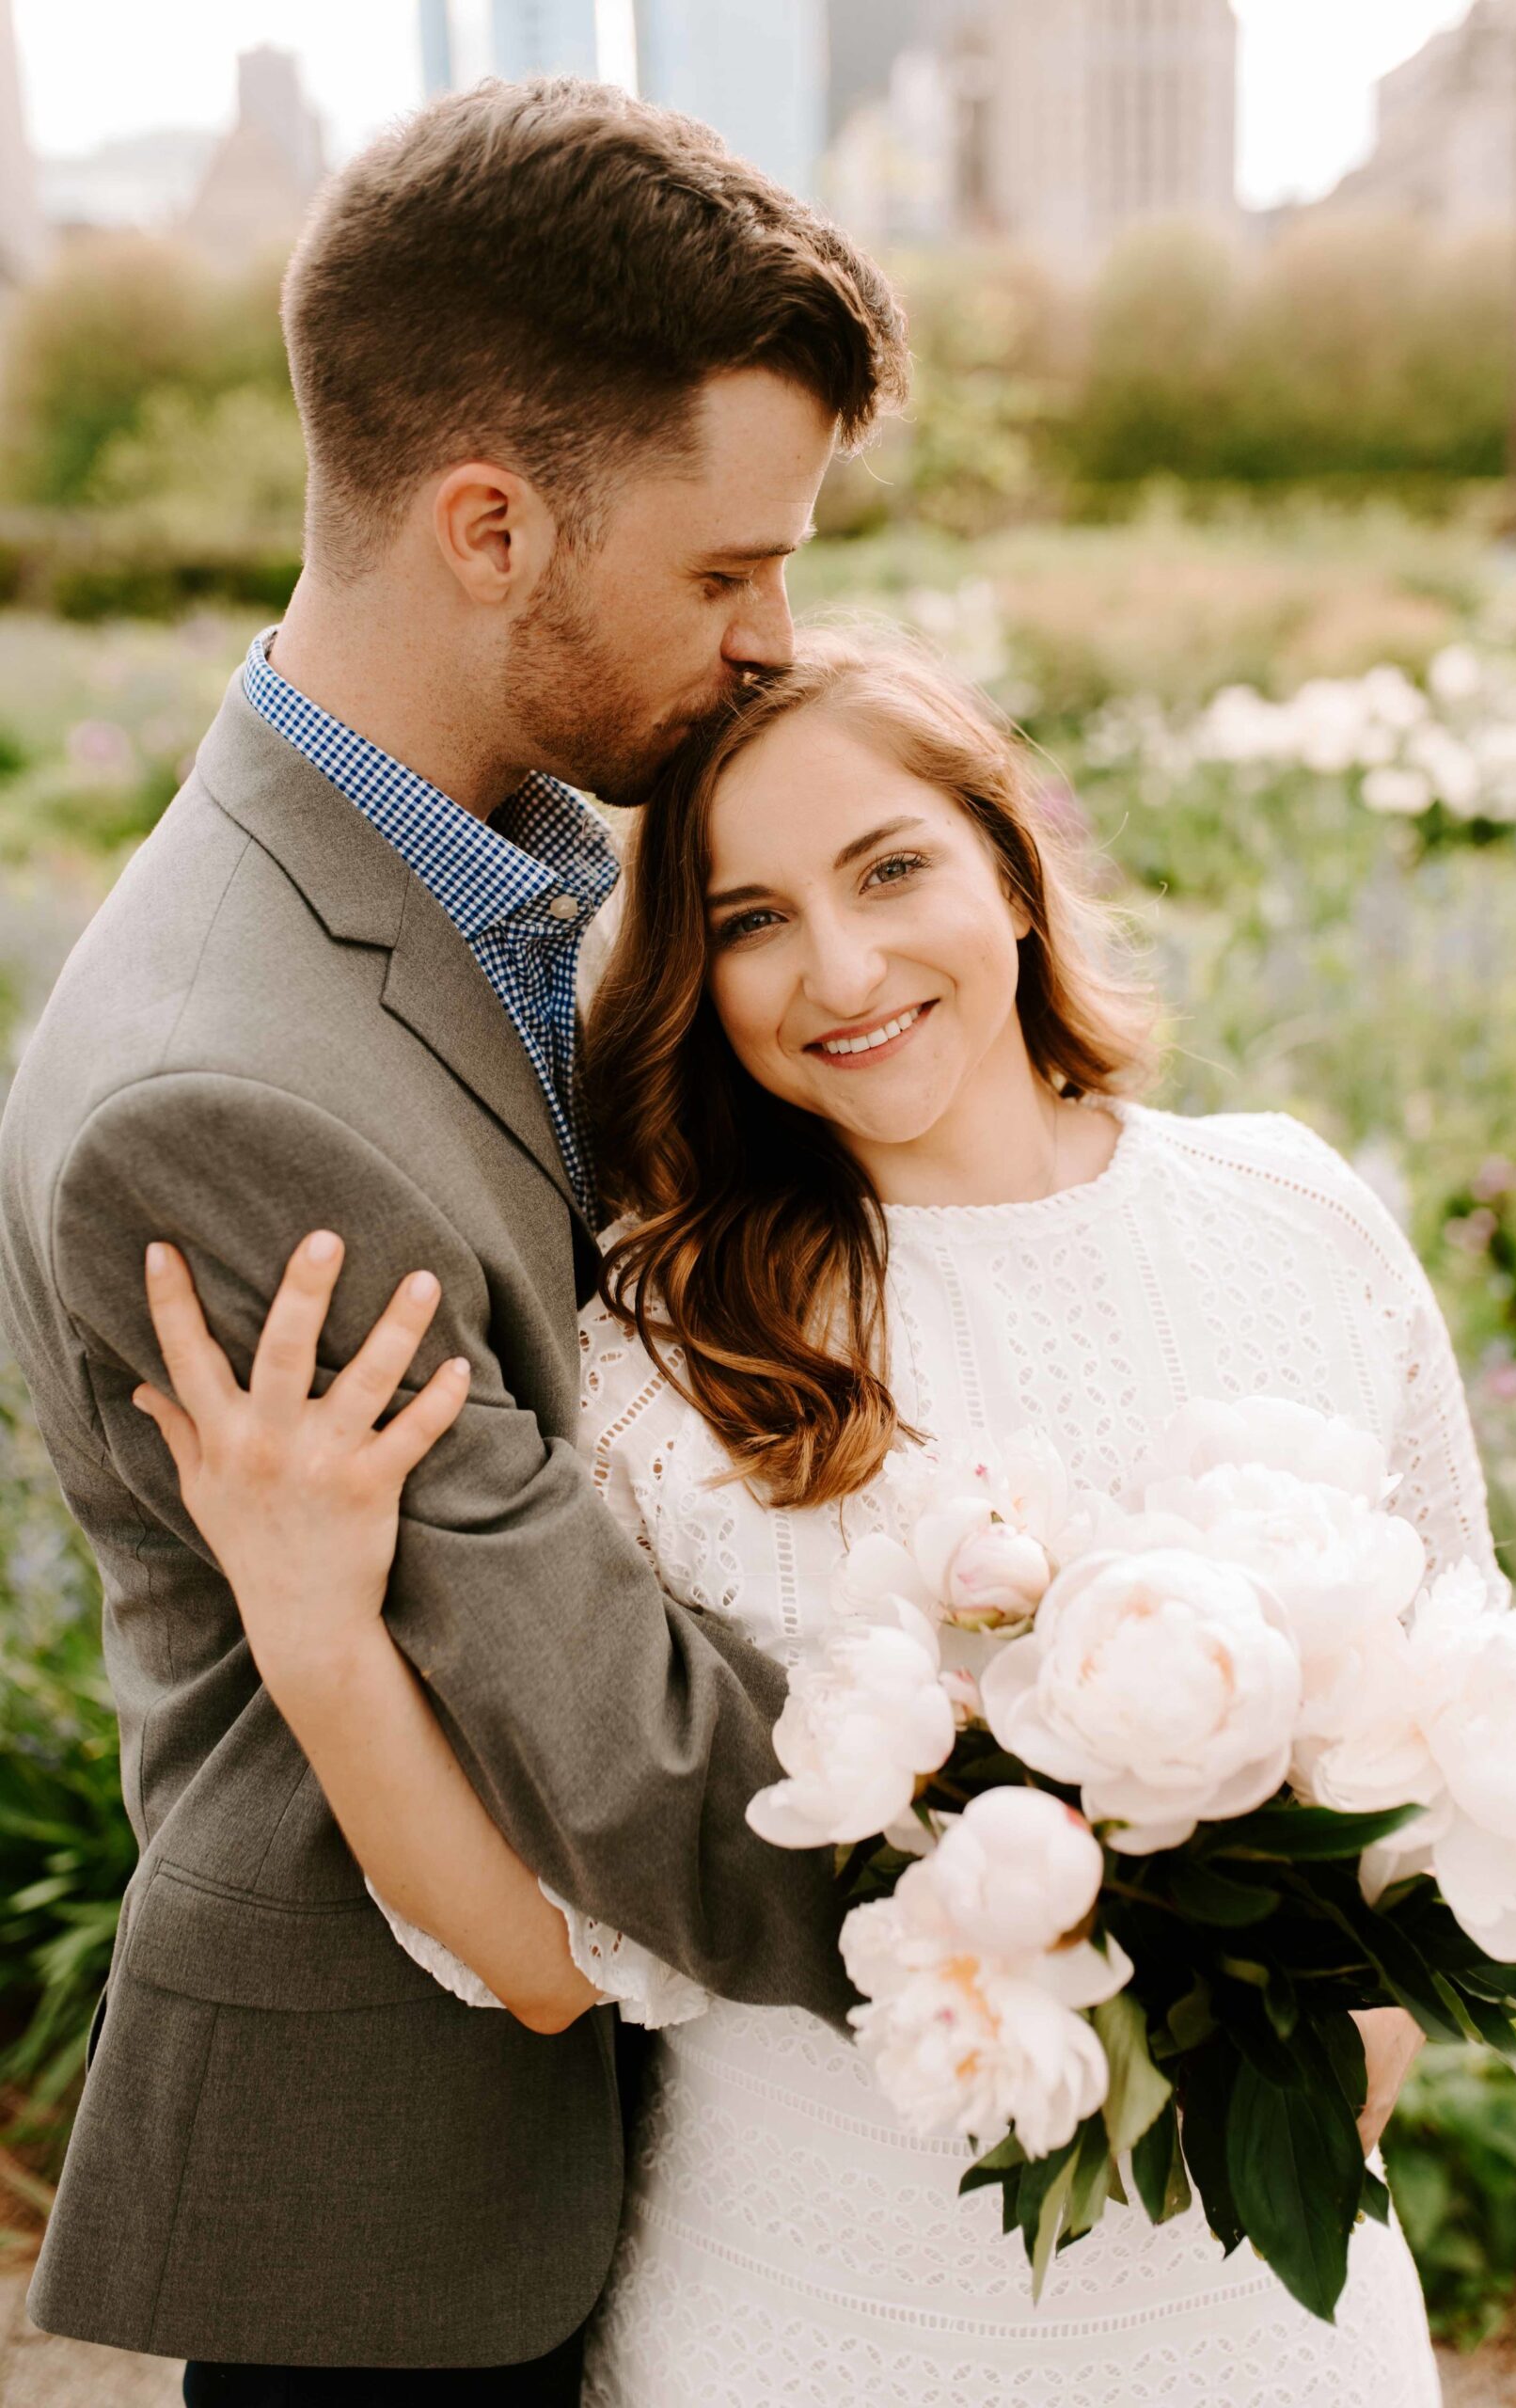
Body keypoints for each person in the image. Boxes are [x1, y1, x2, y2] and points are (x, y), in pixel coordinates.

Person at [135, 631, 1475, 2404]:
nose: (840, 967)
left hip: (1261, 2316)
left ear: (1008, 867)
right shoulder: (655, 1354)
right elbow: (541, 1961)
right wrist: (309, 1625)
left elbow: (1452, 1716)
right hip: (807, 2328)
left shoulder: (1295, 1219)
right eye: (750, 920)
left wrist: (1366, 2016)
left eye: (892, 868)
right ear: (692, 979)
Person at [0, 78, 908, 2400]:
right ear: (489, 525)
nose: (777, 643)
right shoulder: (234, 1092)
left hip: (623, 2111)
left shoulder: (499, 866)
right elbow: (613, 1749)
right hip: (416, 2228)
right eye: (726, 572)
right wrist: (1135, 1867)